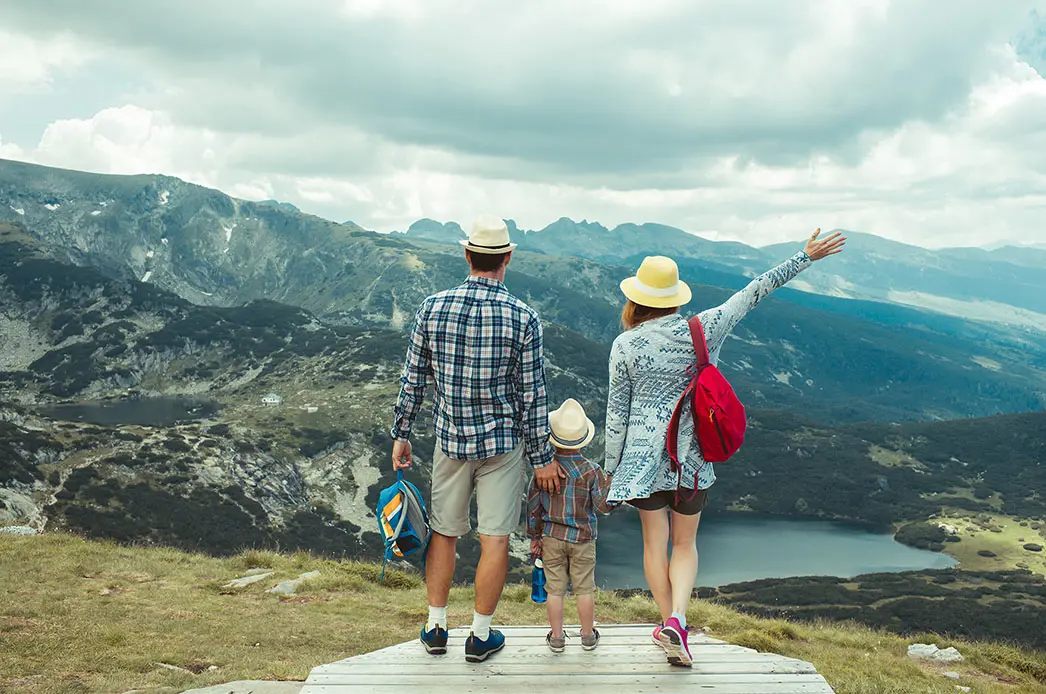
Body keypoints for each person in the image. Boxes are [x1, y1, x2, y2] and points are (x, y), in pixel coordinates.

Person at [604, 229, 846, 668]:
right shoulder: (703, 327)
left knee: (652, 545)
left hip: (641, 467)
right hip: (691, 464)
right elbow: (752, 293)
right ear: (675, 297)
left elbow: (616, 414)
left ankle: (667, 626)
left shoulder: (625, 345)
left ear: (637, 300)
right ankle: (678, 620)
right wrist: (803, 257)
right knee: (685, 545)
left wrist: (609, 471)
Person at [391, 215, 566, 663]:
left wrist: (402, 432)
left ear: (466, 255)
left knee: (443, 534)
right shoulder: (524, 317)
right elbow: (532, 394)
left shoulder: (432, 307)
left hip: (450, 440)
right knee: (495, 540)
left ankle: (435, 627)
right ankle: (480, 636)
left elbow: (414, 379)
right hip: (502, 445)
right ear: (507, 259)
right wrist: (544, 458)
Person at [526, 398, 613, 653]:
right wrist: (611, 487)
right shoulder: (591, 470)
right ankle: (587, 636)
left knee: (554, 590)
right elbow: (603, 507)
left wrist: (534, 537)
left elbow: (534, 507)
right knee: (584, 588)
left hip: (552, 537)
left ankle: (556, 638)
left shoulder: (542, 471)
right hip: (583, 539)